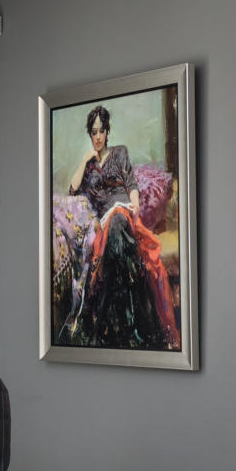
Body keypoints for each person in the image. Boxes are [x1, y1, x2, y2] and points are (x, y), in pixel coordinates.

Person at [61, 105, 178, 349]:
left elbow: (131, 183)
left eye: (102, 131)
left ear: (107, 131)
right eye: (93, 132)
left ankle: (114, 323)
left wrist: (134, 203)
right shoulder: (89, 167)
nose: (98, 137)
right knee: (112, 241)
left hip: (123, 213)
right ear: (89, 134)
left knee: (117, 224)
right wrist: (84, 159)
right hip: (105, 223)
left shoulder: (120, 152)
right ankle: (128, 327)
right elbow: (71, 190)